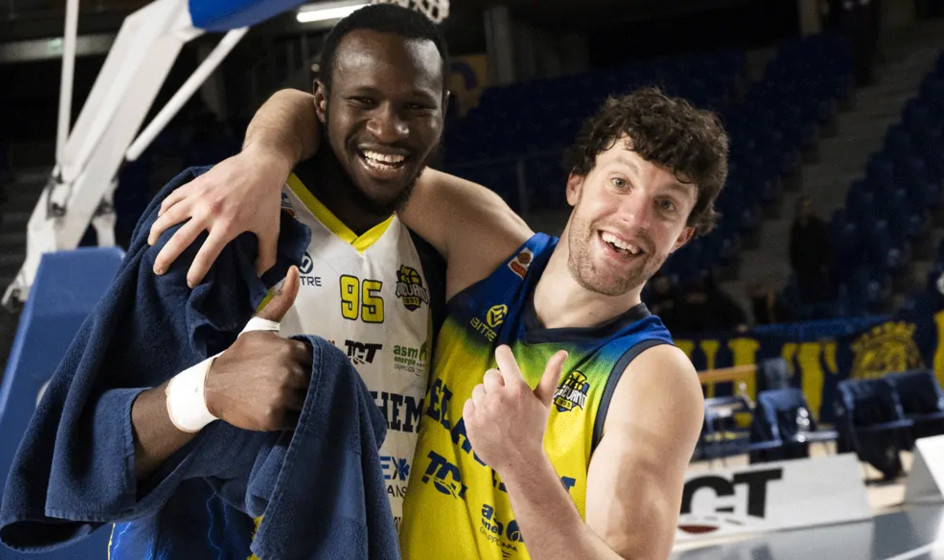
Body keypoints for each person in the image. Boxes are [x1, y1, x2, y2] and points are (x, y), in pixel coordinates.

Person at [150, 86, 728, 559]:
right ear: (577, 183)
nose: (633, 217)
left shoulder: (653, 378)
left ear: (683, 236)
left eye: (666, 205)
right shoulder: (490, 247)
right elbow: (317, 116)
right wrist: (261, 162)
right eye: (620, 182)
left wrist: (521, 461)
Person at [0, 5, 482, 558]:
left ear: (443, 110)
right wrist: (207, 390)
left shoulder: (437, 254)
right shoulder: (222, 220)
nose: (388, 128)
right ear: (321, 100)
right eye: (363, 101)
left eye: (415, 106)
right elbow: (76, 457)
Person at [789, 195, 831, 305]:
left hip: (817, 268)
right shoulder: (796, 228)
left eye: (808, 207)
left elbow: (824, 245)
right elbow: (793, 247)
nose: (805, 210)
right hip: (802, 270)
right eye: (803, 207)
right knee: (805, 297)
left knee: (819, 297)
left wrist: (824, 263)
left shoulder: (818, 226)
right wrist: (795, 264)